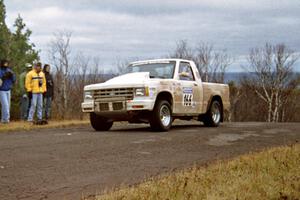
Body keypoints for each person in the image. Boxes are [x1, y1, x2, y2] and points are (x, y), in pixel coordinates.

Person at [0, 59, 16, 124]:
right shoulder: (0, 71)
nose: (6, 64)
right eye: (4, 63)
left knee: (7, 106)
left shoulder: (9, 71)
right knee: (5, 105)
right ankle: (6, 120)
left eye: (7, 63)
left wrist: (12, 75)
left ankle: (4, 120)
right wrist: (3, 77)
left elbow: (14, 80)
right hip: (2, 90)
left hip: (8, 90)